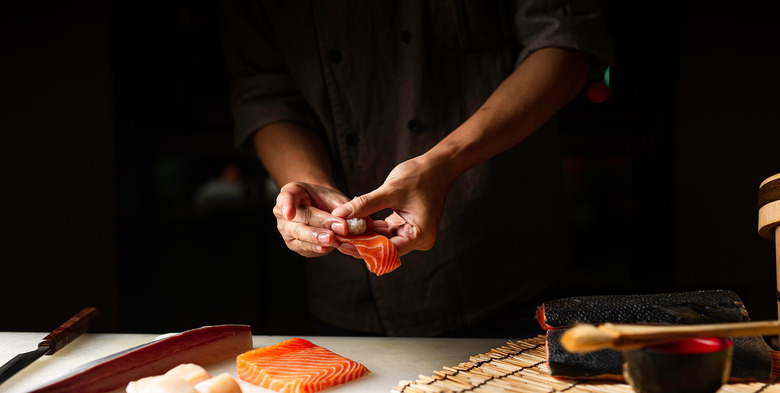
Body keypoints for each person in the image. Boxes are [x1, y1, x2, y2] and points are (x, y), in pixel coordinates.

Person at [220, 1, 615, 337]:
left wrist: (447, 162)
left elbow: (565, 42)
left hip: (504, 264)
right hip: (346, 288)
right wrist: (311, 185)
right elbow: (264, 91)